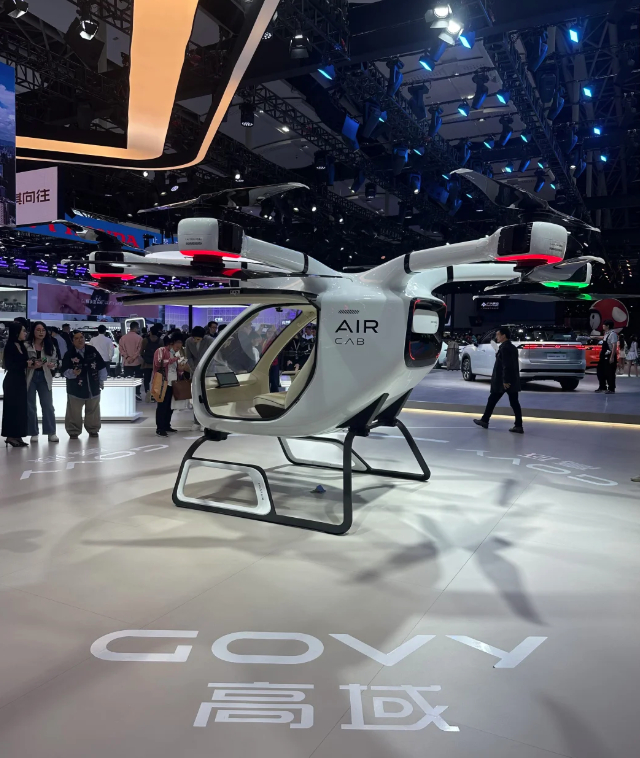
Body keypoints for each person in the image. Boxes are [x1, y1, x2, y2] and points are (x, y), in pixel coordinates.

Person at [474, 326, 523, 434]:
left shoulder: (505, 348)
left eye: (498, 335)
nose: (496, 337)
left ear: (503, 335)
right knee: (514, 403)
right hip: (512, 380)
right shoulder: (512, 347)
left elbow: (506, 365)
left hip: (503, 381)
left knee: (493, 400)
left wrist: (505, 380)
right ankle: (518, 425)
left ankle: (485, 420)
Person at [61, 331, 107, 439]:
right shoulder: (69, 354)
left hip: (93, 386)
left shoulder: (92, 350)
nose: (80, 340)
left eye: (81, 337)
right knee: (74, 412)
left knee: (93, 410)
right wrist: (73, 373)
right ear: (72, 341)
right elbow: (64, 371)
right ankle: (73, 431)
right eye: (76, 338)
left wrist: (101, 381)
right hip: (75, 388)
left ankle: (93, 429)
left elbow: (101, 366)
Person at [26, 321, 59, 443]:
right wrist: (30, 364)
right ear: (33, 331)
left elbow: (55, 361)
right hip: (30, 376)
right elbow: (23, 361)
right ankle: (33, 432)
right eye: (38, 330)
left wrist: (52, 365)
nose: (41, 332)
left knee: (48, 405)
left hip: (45, 376)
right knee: (30, 406)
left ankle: (51, 432)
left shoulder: (50, 345)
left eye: (43, 330)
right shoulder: (27, 345)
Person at [152, 331, 188, 437]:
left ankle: (167, 425)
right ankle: (160, 428)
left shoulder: (178, 353)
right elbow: (158, 363)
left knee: (170, 406)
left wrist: (181, 368)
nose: (179, 346)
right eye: (177, 343)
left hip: (174, 382)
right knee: (162, 406)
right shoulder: (161, 350)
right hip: (163, 382)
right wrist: (173, 359)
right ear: (171, 342)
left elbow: (177, 369)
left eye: (181, 343)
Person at [1, 321, 29, 447]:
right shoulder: (10, 346)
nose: (25, 333)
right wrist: (26, 364)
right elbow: (10, 365)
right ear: (17, 332)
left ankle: (18, 435)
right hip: (12, 381)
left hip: (21, 379)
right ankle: (10, 436)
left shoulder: (21, 345)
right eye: (23, 331)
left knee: (20, 409)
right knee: (11, 408)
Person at [118, 320, 143, 400]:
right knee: (138, 378)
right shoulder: (139, 338)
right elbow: (139, 350)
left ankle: (129, 394)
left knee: (128, 378)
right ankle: (137, 393)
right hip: (137, 362)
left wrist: (127, 357)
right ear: (136, 328)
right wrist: (133, 357)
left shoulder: (123, 338)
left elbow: (121, 349)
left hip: (127, 362)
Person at [140, 324, 162, 401]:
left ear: (150, 332)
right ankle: (154, 394)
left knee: (147, 379)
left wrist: (144, 357)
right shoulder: (160, 341)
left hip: (147, 363)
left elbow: (141, 351)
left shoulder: (145, 340)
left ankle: (147, 392)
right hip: (157, 363)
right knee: (156, 379)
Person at [595, 319, 618, 394]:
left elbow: (614, 346)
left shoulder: (613, 334)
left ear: (608, 326)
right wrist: (594, 337)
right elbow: (603, 338)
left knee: (610, 373)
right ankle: (602, 387)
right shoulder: (607, 334)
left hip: (609, 355)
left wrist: (612, 357)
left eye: (604, 325)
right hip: (603, 356)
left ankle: (611, 388)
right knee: (600, 371)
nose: (603, 326)